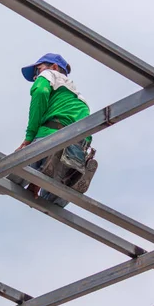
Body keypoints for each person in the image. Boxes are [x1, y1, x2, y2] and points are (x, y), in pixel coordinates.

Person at [15, 53, 93, 207]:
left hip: (49, 137)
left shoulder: (49, 75)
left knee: (15, 173)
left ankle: (44, 168)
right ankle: (71, 176)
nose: (36, 77)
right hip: (76, 149)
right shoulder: (79, 98)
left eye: (38, 71)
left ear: (55, 67)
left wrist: (29, 137)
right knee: (52, 200)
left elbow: (40, 93)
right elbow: (88, 131)